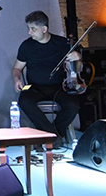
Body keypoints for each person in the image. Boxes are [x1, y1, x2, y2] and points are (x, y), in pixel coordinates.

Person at [11, 11, 82, 148]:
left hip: (59, 86)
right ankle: (53, 136)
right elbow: (17, 68)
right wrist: (16, 79)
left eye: (33, 29)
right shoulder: (26, 46)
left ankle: (51, 135)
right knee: (24, 101)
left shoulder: (61, 43)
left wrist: (77, 57)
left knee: (73, 105)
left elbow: (77, 68)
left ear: (44, 29)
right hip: (34, 87)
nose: (29, 32)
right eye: (29, 28)